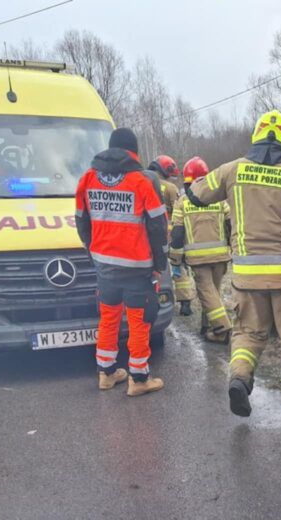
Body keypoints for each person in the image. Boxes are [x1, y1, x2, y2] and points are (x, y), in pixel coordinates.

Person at [187, 110, 281, 417]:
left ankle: (240, 378)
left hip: (246, 280)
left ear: (256, 137)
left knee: (247, 335)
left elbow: (195, 195)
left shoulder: (232, 171)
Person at [75, 128, 167, 396]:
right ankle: (138, 379)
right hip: (137, 265)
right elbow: (158, 226)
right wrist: (159, 263)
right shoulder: (142, 181)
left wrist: (92, 249)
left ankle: (106, 373)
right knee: (139, 321)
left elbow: (81, 220)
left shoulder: (88, 178)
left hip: (104, 264)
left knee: (109, 317)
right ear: (134, 151)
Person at [170, 157, 232, 343]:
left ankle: (222, 329)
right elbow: (231, 226)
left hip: (199, 260)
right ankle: (207, 327)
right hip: (221, 257)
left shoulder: (183, 202)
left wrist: (175, 259)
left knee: (207, 293)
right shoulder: (221, 201)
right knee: (214, 293)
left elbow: (177, 234)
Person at [147, 155, 196, 316]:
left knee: (152, 268)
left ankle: (153, 299)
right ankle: (185, 304)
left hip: (148, 235)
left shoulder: (143, 183)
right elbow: (178, 211)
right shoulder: (170, 188)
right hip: (169, 233)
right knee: (177, 266)